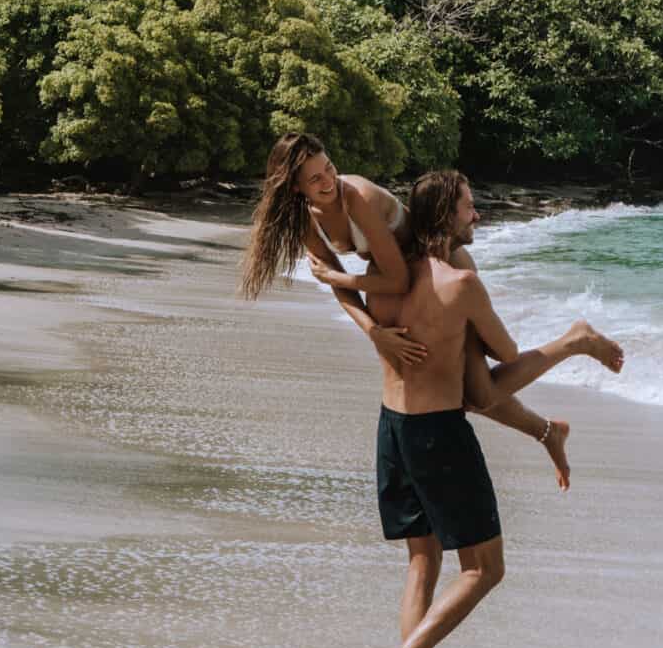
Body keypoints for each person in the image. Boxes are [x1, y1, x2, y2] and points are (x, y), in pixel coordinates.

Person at [238, 133, 621, 491]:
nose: (328, 182)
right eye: (315, 179)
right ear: (294, 187)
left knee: (478, 393)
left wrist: (342, 279)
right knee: (465, 395)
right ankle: (548, 431)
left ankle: (575, 343)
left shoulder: (358, 197)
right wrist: (373, 331)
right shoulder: (307, 218)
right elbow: (338, 283)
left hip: (440, 271)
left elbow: (392, 278)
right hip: (408, 282)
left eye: (330, 169)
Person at [360, 169, 547, 648]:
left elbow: (357, 302)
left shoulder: (386, 276)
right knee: (485, 569)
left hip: (391, 427)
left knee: (423, 563)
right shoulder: (458, 284)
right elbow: (504, 356)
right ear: (446, 217)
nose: (477, 216)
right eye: (469, 208)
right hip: (438, 434)